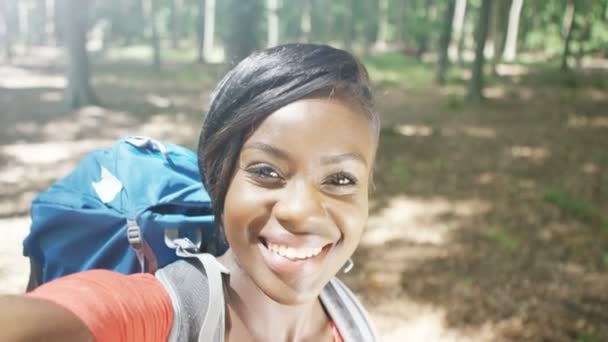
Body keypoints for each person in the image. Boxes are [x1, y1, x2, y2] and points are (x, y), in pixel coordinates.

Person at [0, 43, 380, 342]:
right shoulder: (162, 314)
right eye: (266, 171)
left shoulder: (351, 322)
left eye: (341, 180)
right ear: (220, 181)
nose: (301, 211)